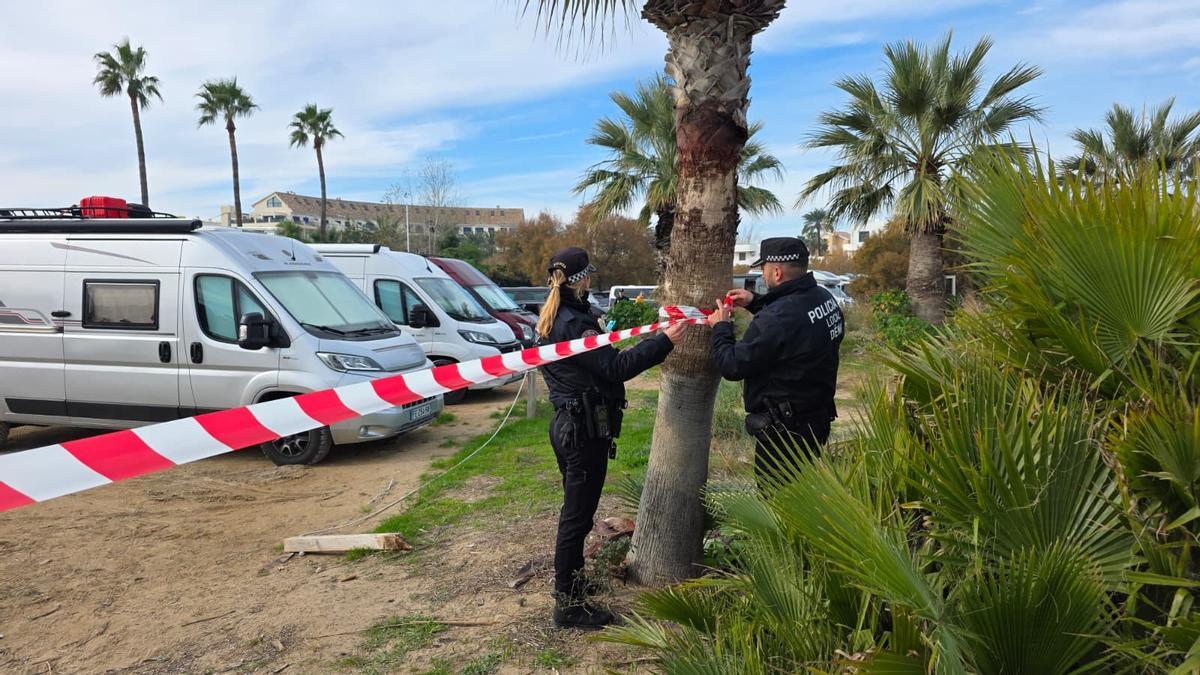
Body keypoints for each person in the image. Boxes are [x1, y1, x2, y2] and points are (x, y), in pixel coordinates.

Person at [536, 247, 687, 630]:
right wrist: (665, 341)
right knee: (576, 517)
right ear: (582, 278)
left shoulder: (559, 314)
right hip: (581, 432)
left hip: (570, 426)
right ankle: (567, 605)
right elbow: (615, 367)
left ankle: (573, 581)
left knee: (578, 513)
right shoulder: (573, 322)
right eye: (589, 275)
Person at [707, 237, 844, 488]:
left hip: (786, 433)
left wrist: (721, 328)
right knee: (804, 491)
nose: (763, 274)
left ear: (777, 272)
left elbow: (732, 365)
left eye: (763, 269)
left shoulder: (777, 319)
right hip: (817, 418)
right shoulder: (823, 298)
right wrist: (755, 302)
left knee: (778, 502)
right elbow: (793, 328)